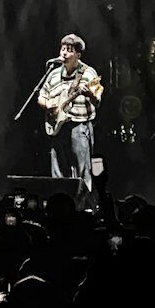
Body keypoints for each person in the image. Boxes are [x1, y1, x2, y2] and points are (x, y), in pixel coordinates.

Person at [38, 33, 103, 210]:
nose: (64, 53)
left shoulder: (88, 73)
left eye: (69, 50)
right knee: (58, 169)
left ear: (78, 55)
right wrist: (49, 105)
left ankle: (83, 207)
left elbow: (97, 100)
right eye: (63, 49)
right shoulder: (52, 74)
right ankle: (60, 206)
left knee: (83, 169)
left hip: (79, 125)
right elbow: (41, 96)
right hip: (58, 126)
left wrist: (88, 93)